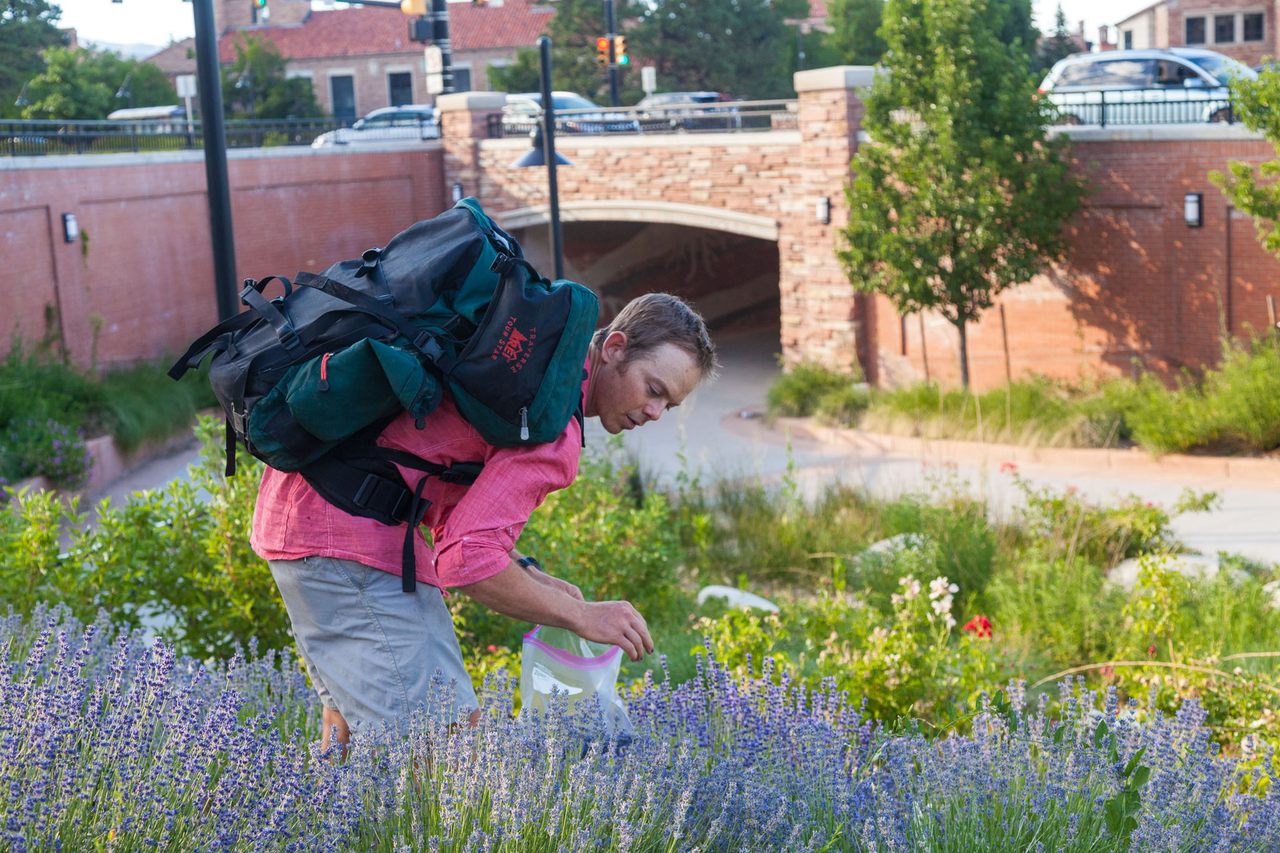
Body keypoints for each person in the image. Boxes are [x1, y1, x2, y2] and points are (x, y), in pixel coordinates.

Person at [251, 292, 718, 750]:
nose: (655, 412)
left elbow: (449, 497)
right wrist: (581, 616)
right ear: (614, 348)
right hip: (346, 541)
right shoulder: (551, 424)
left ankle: (326, 823)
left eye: (669, 405)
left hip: (300, 513)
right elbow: (465, 561)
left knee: (349, 736)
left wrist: (533, 575)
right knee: (451, 757)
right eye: (654, 389)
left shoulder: (532, 366)